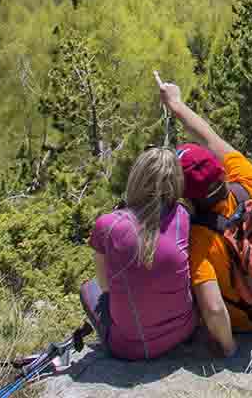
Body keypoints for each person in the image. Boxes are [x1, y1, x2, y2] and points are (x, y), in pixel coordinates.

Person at [156, 81, 252, 358]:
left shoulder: (199, 241)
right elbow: (210, 138)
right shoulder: (249, 181)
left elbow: (212, 308)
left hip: (251, 322)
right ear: (221, 172)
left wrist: (228, 348)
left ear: (185, 197)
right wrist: (176, 104)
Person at [82, 145, 198, 360]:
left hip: (133, 348)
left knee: (89, 288)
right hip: (184, 331)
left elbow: (105, 286)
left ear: (136, 177)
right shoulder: (183, 216)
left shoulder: (108, 224)